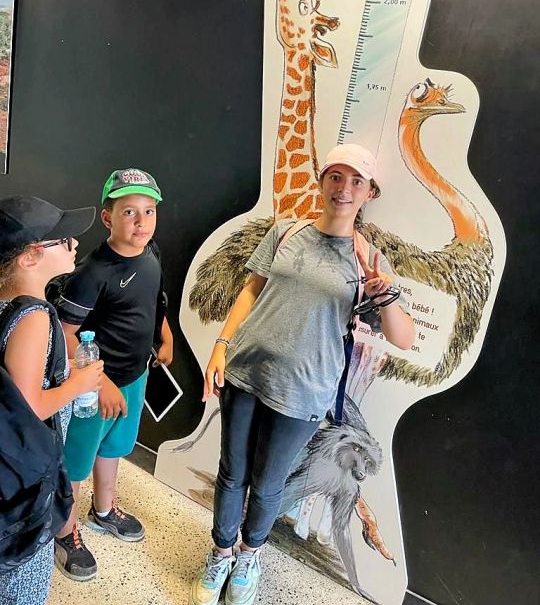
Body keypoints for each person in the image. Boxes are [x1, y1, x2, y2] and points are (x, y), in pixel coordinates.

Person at [190, 144, 415, 605]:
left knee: (269, 483)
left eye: (356, 181)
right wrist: (220, 346)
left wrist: (385, 295)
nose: (344, 188)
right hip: (245, 373)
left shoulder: (369, 261)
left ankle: (249, 556)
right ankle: (221, 553)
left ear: (369, 192)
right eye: (336, 177)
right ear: (322, 180)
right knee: (232, 473)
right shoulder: (285, 231)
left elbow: (404, 338)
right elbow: (250, 290)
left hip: (305, 392)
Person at [53, 168, 174, 581]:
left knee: (114, 447)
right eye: (129, 212)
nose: (141, 222)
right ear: (108, 218)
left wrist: (165, 335)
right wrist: (99, 381)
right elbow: (64, 334)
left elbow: (154, 301)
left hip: (135, 377)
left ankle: (103, 510)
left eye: (149, 211)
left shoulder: (151, 253)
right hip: (93, 388)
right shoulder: (92, 272)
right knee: (76, 461)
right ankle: (65, 532)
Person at [0, 195, 103, 605]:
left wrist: (64, 375)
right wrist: (80, 383)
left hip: (6, 464)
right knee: (23, 578)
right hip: (25, 473)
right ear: (29, 257)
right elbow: (29, 408)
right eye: (62, 240)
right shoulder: (35, 317)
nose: (75, 244)